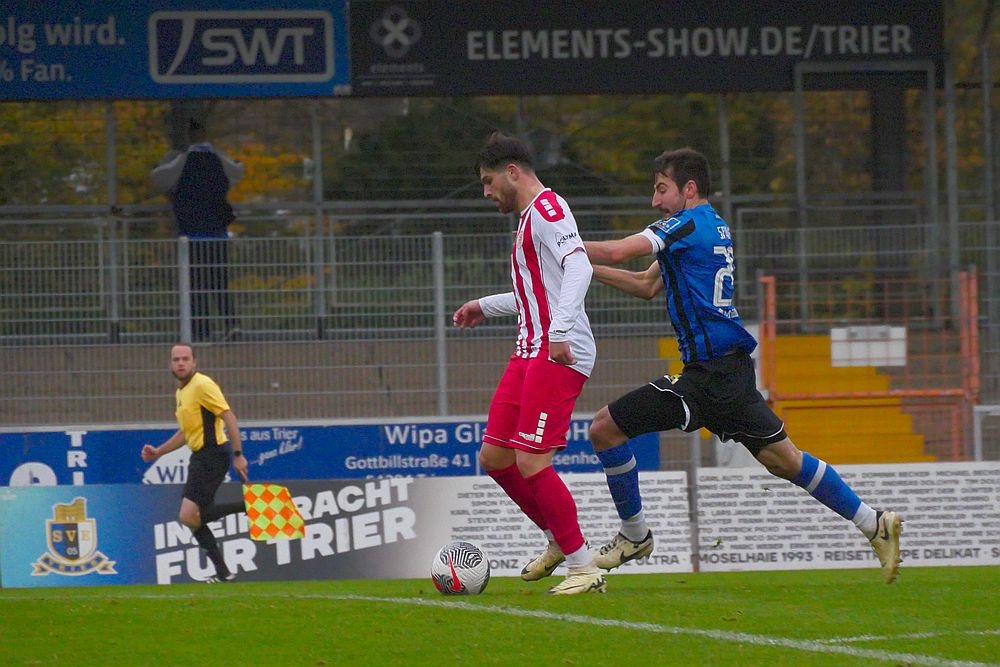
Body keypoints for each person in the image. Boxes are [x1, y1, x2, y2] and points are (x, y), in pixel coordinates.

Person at [583, 147, 903, 584]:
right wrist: (585, 269)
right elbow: (644, 285)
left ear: (688, 189)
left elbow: (621, 252)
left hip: (709, 376)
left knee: (604, 428)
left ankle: (634, 535)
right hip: (728, 372)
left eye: (661, 189)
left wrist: (561, 245)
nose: (655, 201)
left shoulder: (685, 224)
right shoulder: (710, 226)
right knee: (785, 461)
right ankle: (873, 522)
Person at [452, 131, 604, 595]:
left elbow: (580, 266)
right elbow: (535, 294)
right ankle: (559, 538)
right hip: (529, 349)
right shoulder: (527, 220)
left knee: (532, 460)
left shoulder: (548, 209)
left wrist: (559, 331)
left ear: (512, 172)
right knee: (495, 458)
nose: (486, 191)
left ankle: (583, 567)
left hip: (557, 351)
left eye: (488, 181)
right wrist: (484, 305)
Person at [141, 343, 248, 583]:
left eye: (185, 359)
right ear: (170, 364)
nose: (180, 363)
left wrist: (238, 454)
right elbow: (185, 433)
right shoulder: (182, 392)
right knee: (195, 517)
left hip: (213, 454)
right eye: (176, 359)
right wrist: (159, 452)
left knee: (188, 516)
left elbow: (229, 416)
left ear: (194, 362)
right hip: (200, 456)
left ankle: (247, 508)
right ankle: (224, 572)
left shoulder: (202, 385)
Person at [152, 119, 243, 342]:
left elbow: (158, 178)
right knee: (219, 282)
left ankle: (202, 331)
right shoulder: (218, 159)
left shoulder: (181, 161)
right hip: (217, 232)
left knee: (196, 284)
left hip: (191, 233)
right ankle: (231, 325)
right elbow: (236, 172)